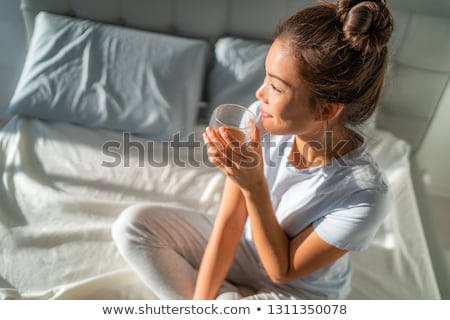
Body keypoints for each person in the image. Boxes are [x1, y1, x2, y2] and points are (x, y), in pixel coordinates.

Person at [112, 0, 394, 300]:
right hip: (245, 248)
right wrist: (200, 304)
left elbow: (282, 271)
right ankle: (230, 297)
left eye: (276, 87)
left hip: (299, 290)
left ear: (326, 109)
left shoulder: (364, 195)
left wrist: (254, 185)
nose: (260, 94)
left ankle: (233, 298)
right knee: (132, 228)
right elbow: (231, 220)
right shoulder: (258, 117)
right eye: (265, 77)